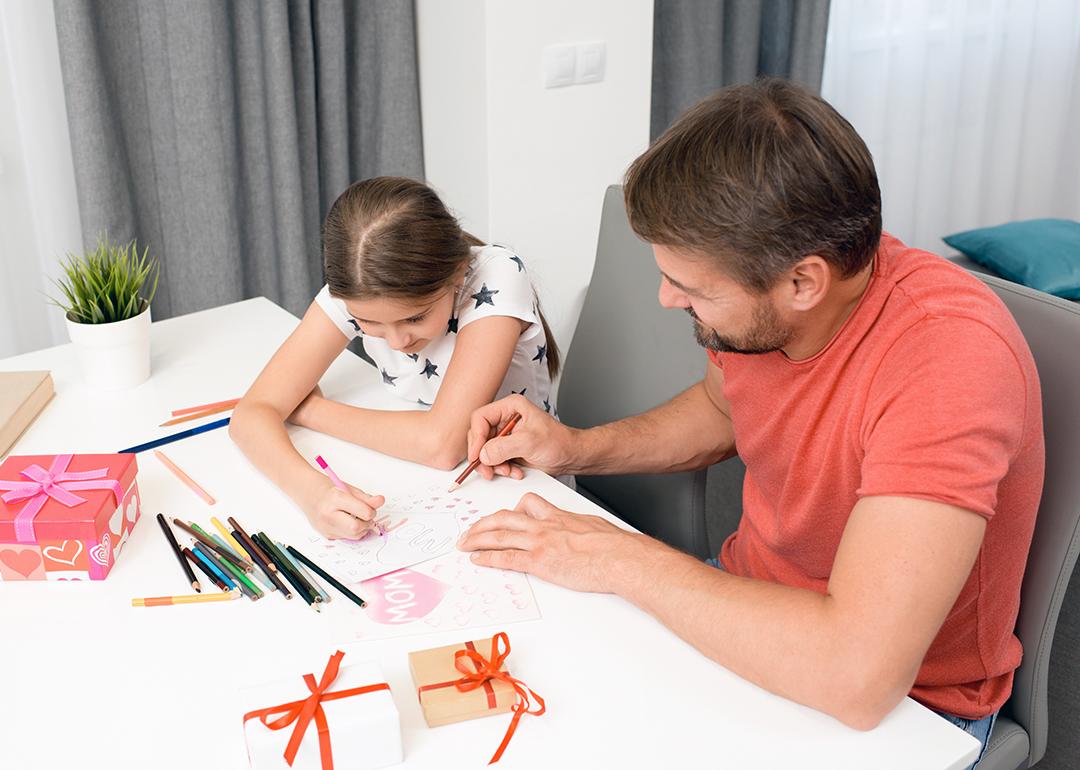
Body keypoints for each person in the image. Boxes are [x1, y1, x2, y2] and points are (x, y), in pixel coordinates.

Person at [457, 79, 1043, 768]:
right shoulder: (762, 315)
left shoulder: (948, 361)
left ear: (803, 282)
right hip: (743, 597)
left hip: (905, 704)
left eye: (693, 288)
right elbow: (722, 410)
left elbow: (857, 676)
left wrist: (618, 558)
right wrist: (574, 448)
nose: (666, 299)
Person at [231, 176, 560, 539]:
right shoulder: (359, 290)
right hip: (441, 481)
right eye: (369, 323)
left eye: (415, 318)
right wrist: (312, 494)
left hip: (535, 490)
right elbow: (249, 416)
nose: (397, 341)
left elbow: (441, 445)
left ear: (456, 273)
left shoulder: (496, 275)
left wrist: (309, 410)